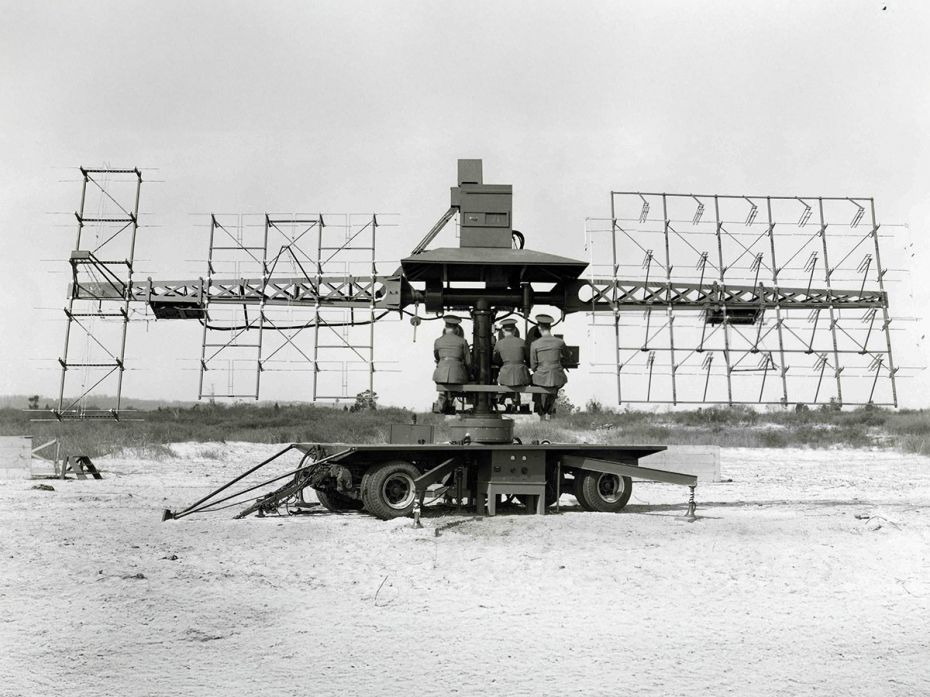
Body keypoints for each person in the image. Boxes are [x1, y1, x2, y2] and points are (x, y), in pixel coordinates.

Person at [529, 314, 570, 418]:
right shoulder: (560, 342)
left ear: (539, 328)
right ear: (550, 327)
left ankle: (541, 409)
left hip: (541, 377)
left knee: (534, 381)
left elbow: (533, 365)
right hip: (557, 377)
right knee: (553, 386)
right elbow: (568, 356)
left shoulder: (535, 344)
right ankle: (549, 408)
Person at [432, 315, 471, 414]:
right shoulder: (462, 341)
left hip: (440, 376)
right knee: (458, 380)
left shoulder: (438, 341)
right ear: (457, 329)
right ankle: (450, 397)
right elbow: (468, 362)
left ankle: (443, 396)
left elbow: (437, 358)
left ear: (445, 327)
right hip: (458, 376)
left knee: (444, 381)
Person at [493, 318, 531, 411]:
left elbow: (495, 360)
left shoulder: (499, 344)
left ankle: (507, 398)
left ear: (502, 330)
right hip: (522, 376)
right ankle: (515, 399)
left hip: (505, 376)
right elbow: (528, 359)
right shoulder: (522, 342)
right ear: (515, 330)